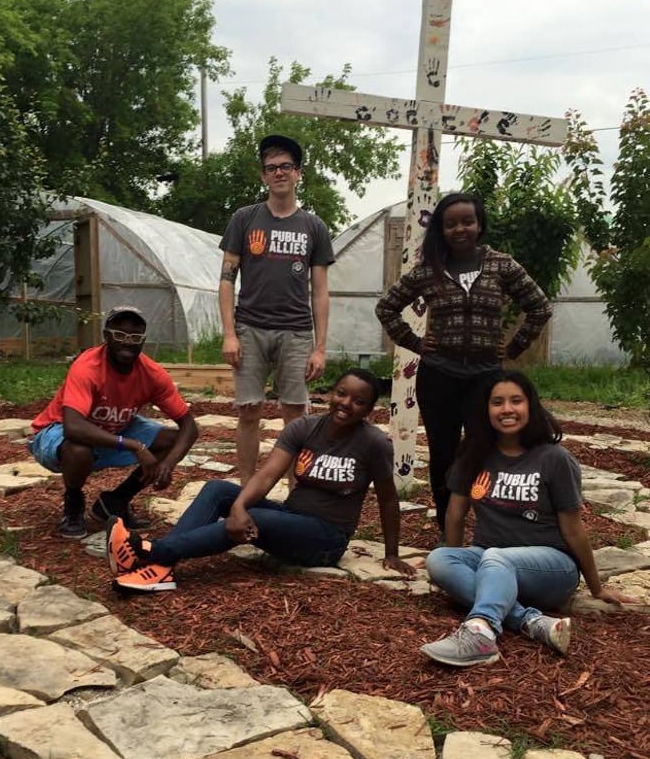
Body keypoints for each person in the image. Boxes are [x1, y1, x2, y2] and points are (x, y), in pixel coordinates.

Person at [104, 369, 417, 592]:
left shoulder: (373, 443)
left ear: (369, 409)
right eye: (341, 393)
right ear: (331, 393)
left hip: (326, 539)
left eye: (359, 401)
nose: (346, 403)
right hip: (291, 518)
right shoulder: (305, 427)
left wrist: (391, 553)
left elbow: (388, 499)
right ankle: (161, 568)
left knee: (259, 518)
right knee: (217, 490)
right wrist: (239, 506)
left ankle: (149, 551)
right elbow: (267, 474)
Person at [420, 370, 628, 667]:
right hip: (491, 558)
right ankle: (530, 621)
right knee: (440, 559)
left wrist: (596, 587)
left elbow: (573, 528)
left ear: (530, 405)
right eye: (497, 402)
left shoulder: (554, 458)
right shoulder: (473, 454)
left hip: (552, 566)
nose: (507, 409)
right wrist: (456, 561)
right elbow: (455, 514)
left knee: (496, 557)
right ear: (486, 410)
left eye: (516, 401)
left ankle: (481, 632)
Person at [375, 192, 553, 534]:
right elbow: (386, 307)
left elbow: (540, 307)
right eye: (451, 224)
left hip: (486, 379)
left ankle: (490, 523)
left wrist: (513, 348)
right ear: (441, 230)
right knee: (443, 454)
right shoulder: (429, 269)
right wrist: (414, 342)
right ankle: (448, 527)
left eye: (467, 222)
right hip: (439, 376)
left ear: (479, 224)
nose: (460, 229)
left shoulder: (502, 265)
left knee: (486, 450)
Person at [218, 133, 335, 485]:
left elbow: (320, 292)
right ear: (263, 176)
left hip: (296, 332)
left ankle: (296, 492)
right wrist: (229, 334)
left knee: (296, 417)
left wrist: (319, 347)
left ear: (298, 173)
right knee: (248, 411)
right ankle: (246, 489)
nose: (279, 172)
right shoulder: (244, 219)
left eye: (286, 166)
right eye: (271, 168)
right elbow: (226, 280)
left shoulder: (314, 227)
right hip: (249, 329)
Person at [28, 305, 198, 539]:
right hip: (57, 434)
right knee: (79, 449)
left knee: (172, 441)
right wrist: (134, 445)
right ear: (106, 336)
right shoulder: (87, 367)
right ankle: (73, 501)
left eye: (135, 337)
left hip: (113, 429)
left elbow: (189, 426)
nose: (127, 342)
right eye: (119, 335)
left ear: (143, 340)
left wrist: (168, 464)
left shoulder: (152, 374)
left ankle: (115, 502)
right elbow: (73, 427)